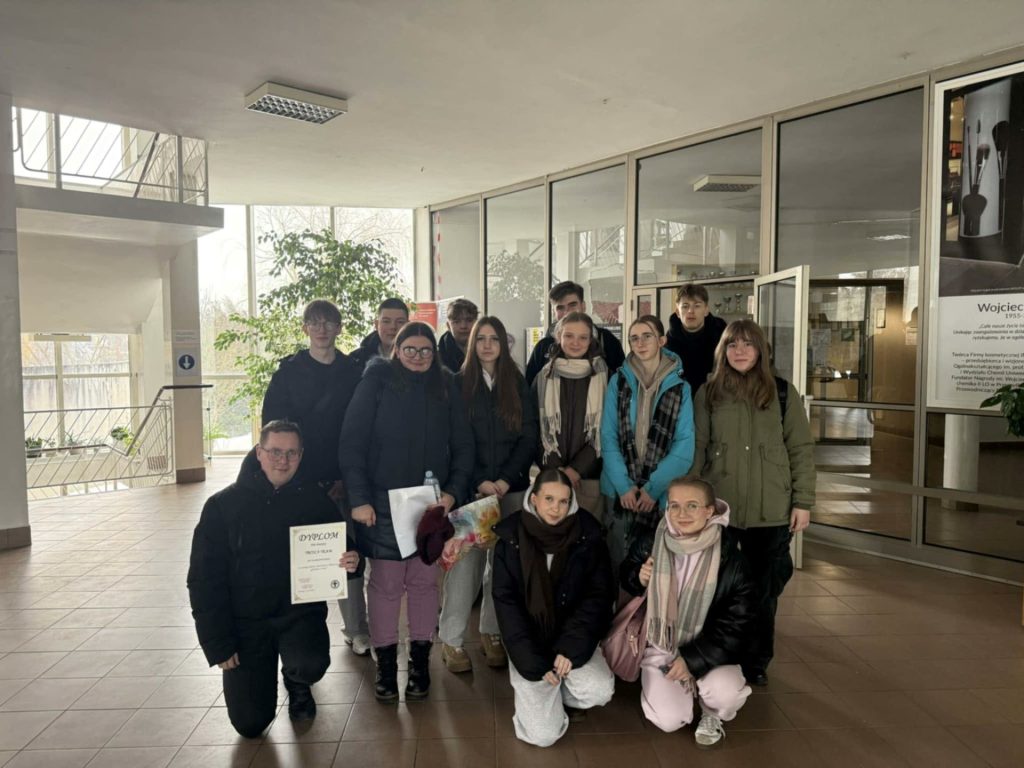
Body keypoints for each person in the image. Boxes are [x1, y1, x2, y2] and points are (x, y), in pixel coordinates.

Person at [187, 421, 360, 737]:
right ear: (259, 453)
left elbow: (342, 548)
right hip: (245, 623)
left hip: (298, 615)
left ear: (301, 455)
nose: (283, 460)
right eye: (275, 452)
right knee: (250, 724)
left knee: (309, 663)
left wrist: (352, 560)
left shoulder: (316, 501)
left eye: (292, 453)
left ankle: (297, 681)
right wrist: (218, 644)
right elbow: (203, 581)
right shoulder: (222, 506)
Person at [339, 322, 475, 702]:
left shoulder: (446, 387)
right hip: (381, 504)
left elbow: (464, 446)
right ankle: (385, 666)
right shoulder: (375, 383)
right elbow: (351, 443)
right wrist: (359, 499)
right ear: (396, 350)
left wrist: (452, 493)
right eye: (410, 349)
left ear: (434, 354)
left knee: (424, 585)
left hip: (430, 506)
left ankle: (419, 664)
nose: (417, 356)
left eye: (425, 350)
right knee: (385, 586)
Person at [692, 319, 815, 686]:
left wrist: (803, 501)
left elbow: (800, 448)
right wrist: (692, 504)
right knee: (717, 589)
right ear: (723, 351)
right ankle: (719, 654)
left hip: (770, 511)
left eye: (748, 344)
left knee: (763, 592)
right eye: (733, 345)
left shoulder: (781, 393)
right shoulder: (708, 393)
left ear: (761, 350)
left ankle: (755, 661)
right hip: (721, 511)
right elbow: (697, 449)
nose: (740, 351)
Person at [261, 299, 369, 657]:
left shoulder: (354, 371)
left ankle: (356, 629)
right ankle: (301, 636)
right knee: (301, 557)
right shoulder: (288, 372)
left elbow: (361, 428)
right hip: (300, 480)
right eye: (315, 322)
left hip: (345, 479)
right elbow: (275, 428)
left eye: (329, 322)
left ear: (339, 328)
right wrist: (297, 476)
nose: (322, 329)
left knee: (348, 555)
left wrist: (345, 476)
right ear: (305, 328)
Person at [620, 478, 754, 748]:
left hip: (712, 649)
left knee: (726, 692)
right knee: (669, 720)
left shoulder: (730, 557)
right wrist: (638, 577)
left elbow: (738, 625)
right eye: (674, 506)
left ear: (710, 511)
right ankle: (678, 692)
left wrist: (693, 660)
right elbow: (626, 574)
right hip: (662, 645)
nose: (681, 514)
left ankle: (711, 712)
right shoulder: (653, 541)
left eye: (692, 506)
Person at [440, 316, 539, 673]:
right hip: (473, 491)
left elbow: (530, 435)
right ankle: (451, 639)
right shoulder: (457, 383)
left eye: (493, 339)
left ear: (503, 344)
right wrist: (480, 480)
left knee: (502, 566)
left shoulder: (517, 382)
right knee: (465, 566)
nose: (486, 345)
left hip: (511, 490)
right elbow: (454, 439)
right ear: (472, 344)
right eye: (480, 339)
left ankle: (491, 632)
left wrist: (506, 479)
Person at [492, 468, 616, 748]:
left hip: (571, 637)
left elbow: (598, 596)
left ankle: (560, 693)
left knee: (599, 690)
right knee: (543, 736)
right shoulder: (510, 539)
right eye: (548, 499)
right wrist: (532, 663)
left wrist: (571, 647)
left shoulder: (588, 536)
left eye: (563, 501)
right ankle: (544, 695)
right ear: (533, 499)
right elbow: (506, 605)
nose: (556, 508)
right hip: (530, 642)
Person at [600, 315, 695, 573]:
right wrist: (624, 486)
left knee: (658, 566)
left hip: (662, 494)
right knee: (618, 564)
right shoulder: (618, 381)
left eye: (647, 336)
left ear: (661, 340)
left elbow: (684, 445)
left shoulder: (681, 387)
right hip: (620, 492)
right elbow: (608, 437)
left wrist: (653, 489)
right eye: (634, 338)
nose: (640, 343)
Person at [534, 311, 608, 519]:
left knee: (588, 533)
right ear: (559, 337)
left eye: (583, 337)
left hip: (588, 477)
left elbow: (605, 429)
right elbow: (534, 428)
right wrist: (557, 469)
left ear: (591, 340)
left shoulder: (604, 376)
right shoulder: (543, 377)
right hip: (552, 478)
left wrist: (576, 469)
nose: (575, 343)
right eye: (569, 336)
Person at [525, 280, 625, 386]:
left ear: (583, 306)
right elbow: (530, 388)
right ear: (554, 313)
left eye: (572, 305)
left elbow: (622, 384)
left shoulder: (607, 341)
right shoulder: (543, 348)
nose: (567, 312)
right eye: (560, 308)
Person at [665, 284, 727, 395]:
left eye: (697, 306)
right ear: (678, 312)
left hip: (717, 397)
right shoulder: (668, 343)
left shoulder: (723, 336)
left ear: (706, 310)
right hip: (680, 400)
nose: (690, 311)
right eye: (685, 306)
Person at [349, 297, 409, 370]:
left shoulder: (417, 358)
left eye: (400, 322)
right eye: (386, 321)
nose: (393, 327)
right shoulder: (357, 359)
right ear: (377, 325)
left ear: (408, 325)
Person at [437, 298, 479, 372]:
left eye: (469, 320)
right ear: (448, 326)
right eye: (457, 321)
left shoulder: (487, 351)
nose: (463, 326)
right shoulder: (436, 357)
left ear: (477, 324)